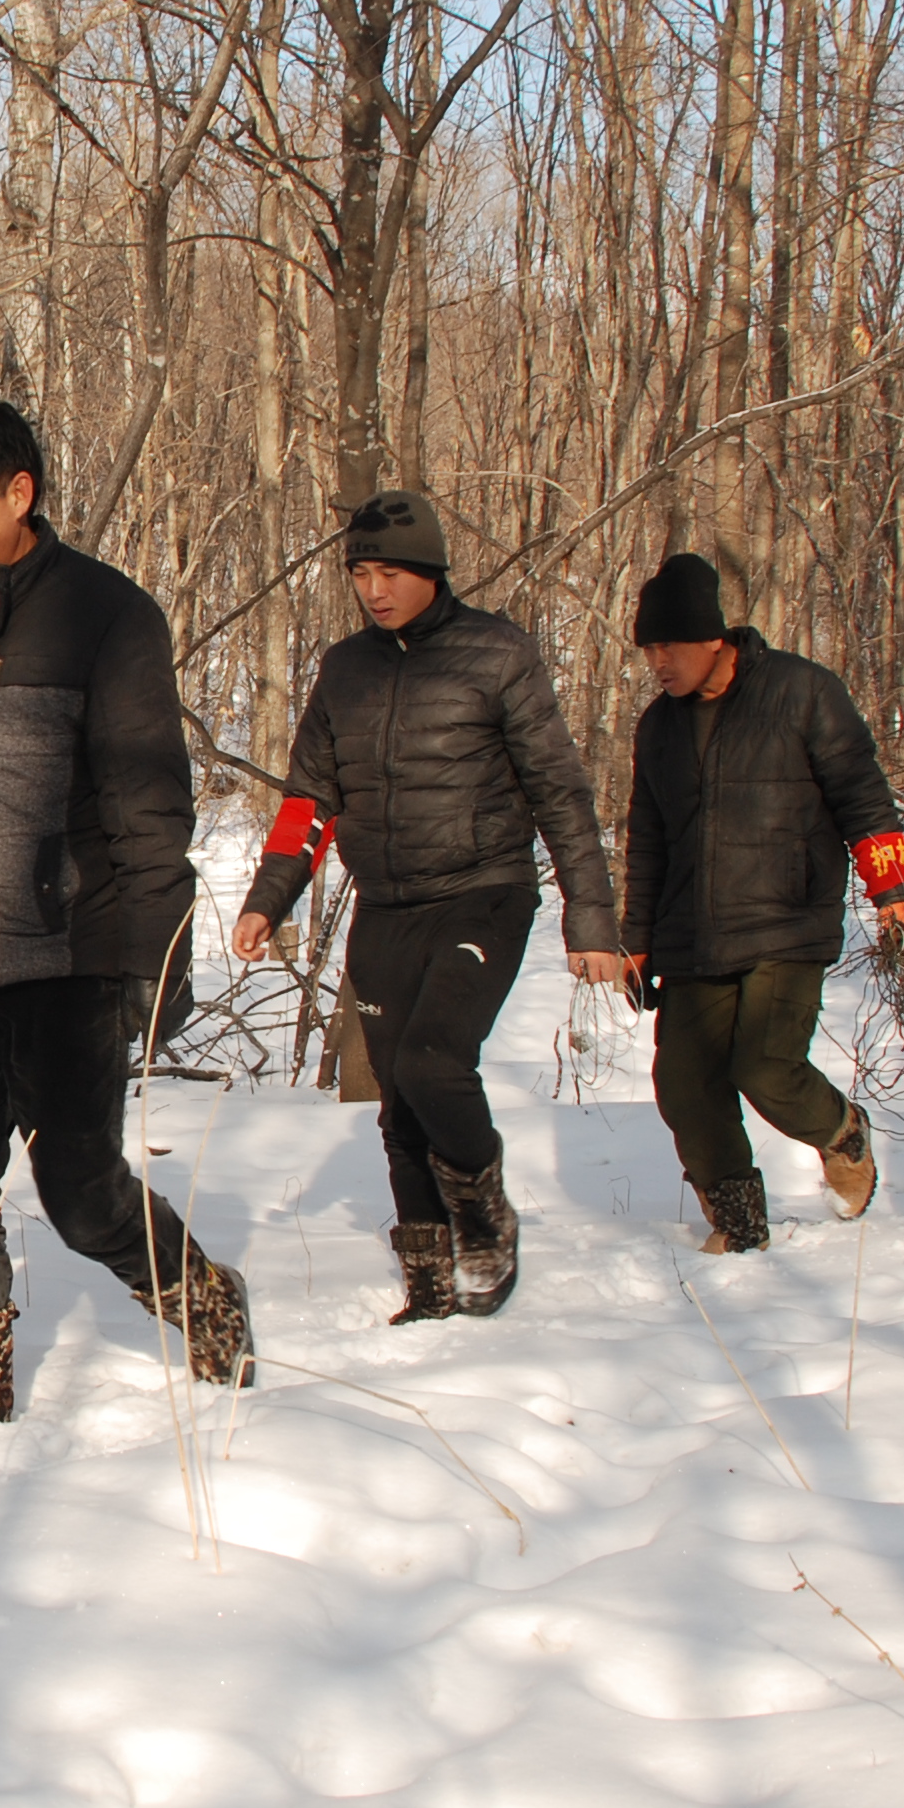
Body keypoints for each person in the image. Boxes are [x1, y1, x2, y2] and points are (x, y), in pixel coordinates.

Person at [0, 398, 250, 1425]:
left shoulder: (107, 616)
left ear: (17, 492)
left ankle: (204, 1298)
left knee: (82, 1198)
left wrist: (152, 968)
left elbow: (147, 810)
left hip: (67, 965)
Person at [232, 489, 629, 1319]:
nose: (375, 590)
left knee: (432, 1062)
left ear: (432, 573)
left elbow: (559, 790)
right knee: (398, 1106)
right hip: (386, 906)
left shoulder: (497, 654)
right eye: (361, 574)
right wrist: (271, 897)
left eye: (391, 573)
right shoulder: (345, 668)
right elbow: (311, 796)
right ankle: (428, 1274)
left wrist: (590, 918)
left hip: (482, 895)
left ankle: (483, 1215)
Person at [618, 551, 904, 1252]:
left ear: (713, 639)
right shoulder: (658, 726)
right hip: (696, 933)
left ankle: (841, 1132)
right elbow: (648, 840)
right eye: (649, 650)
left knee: (765, 1067)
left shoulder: (803, 693)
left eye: (669, 646)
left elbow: (863, 797)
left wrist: (898, 895)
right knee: (684, 1084)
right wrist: (635, 938)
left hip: (788, 921)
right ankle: (737, 1222)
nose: (659, 663)